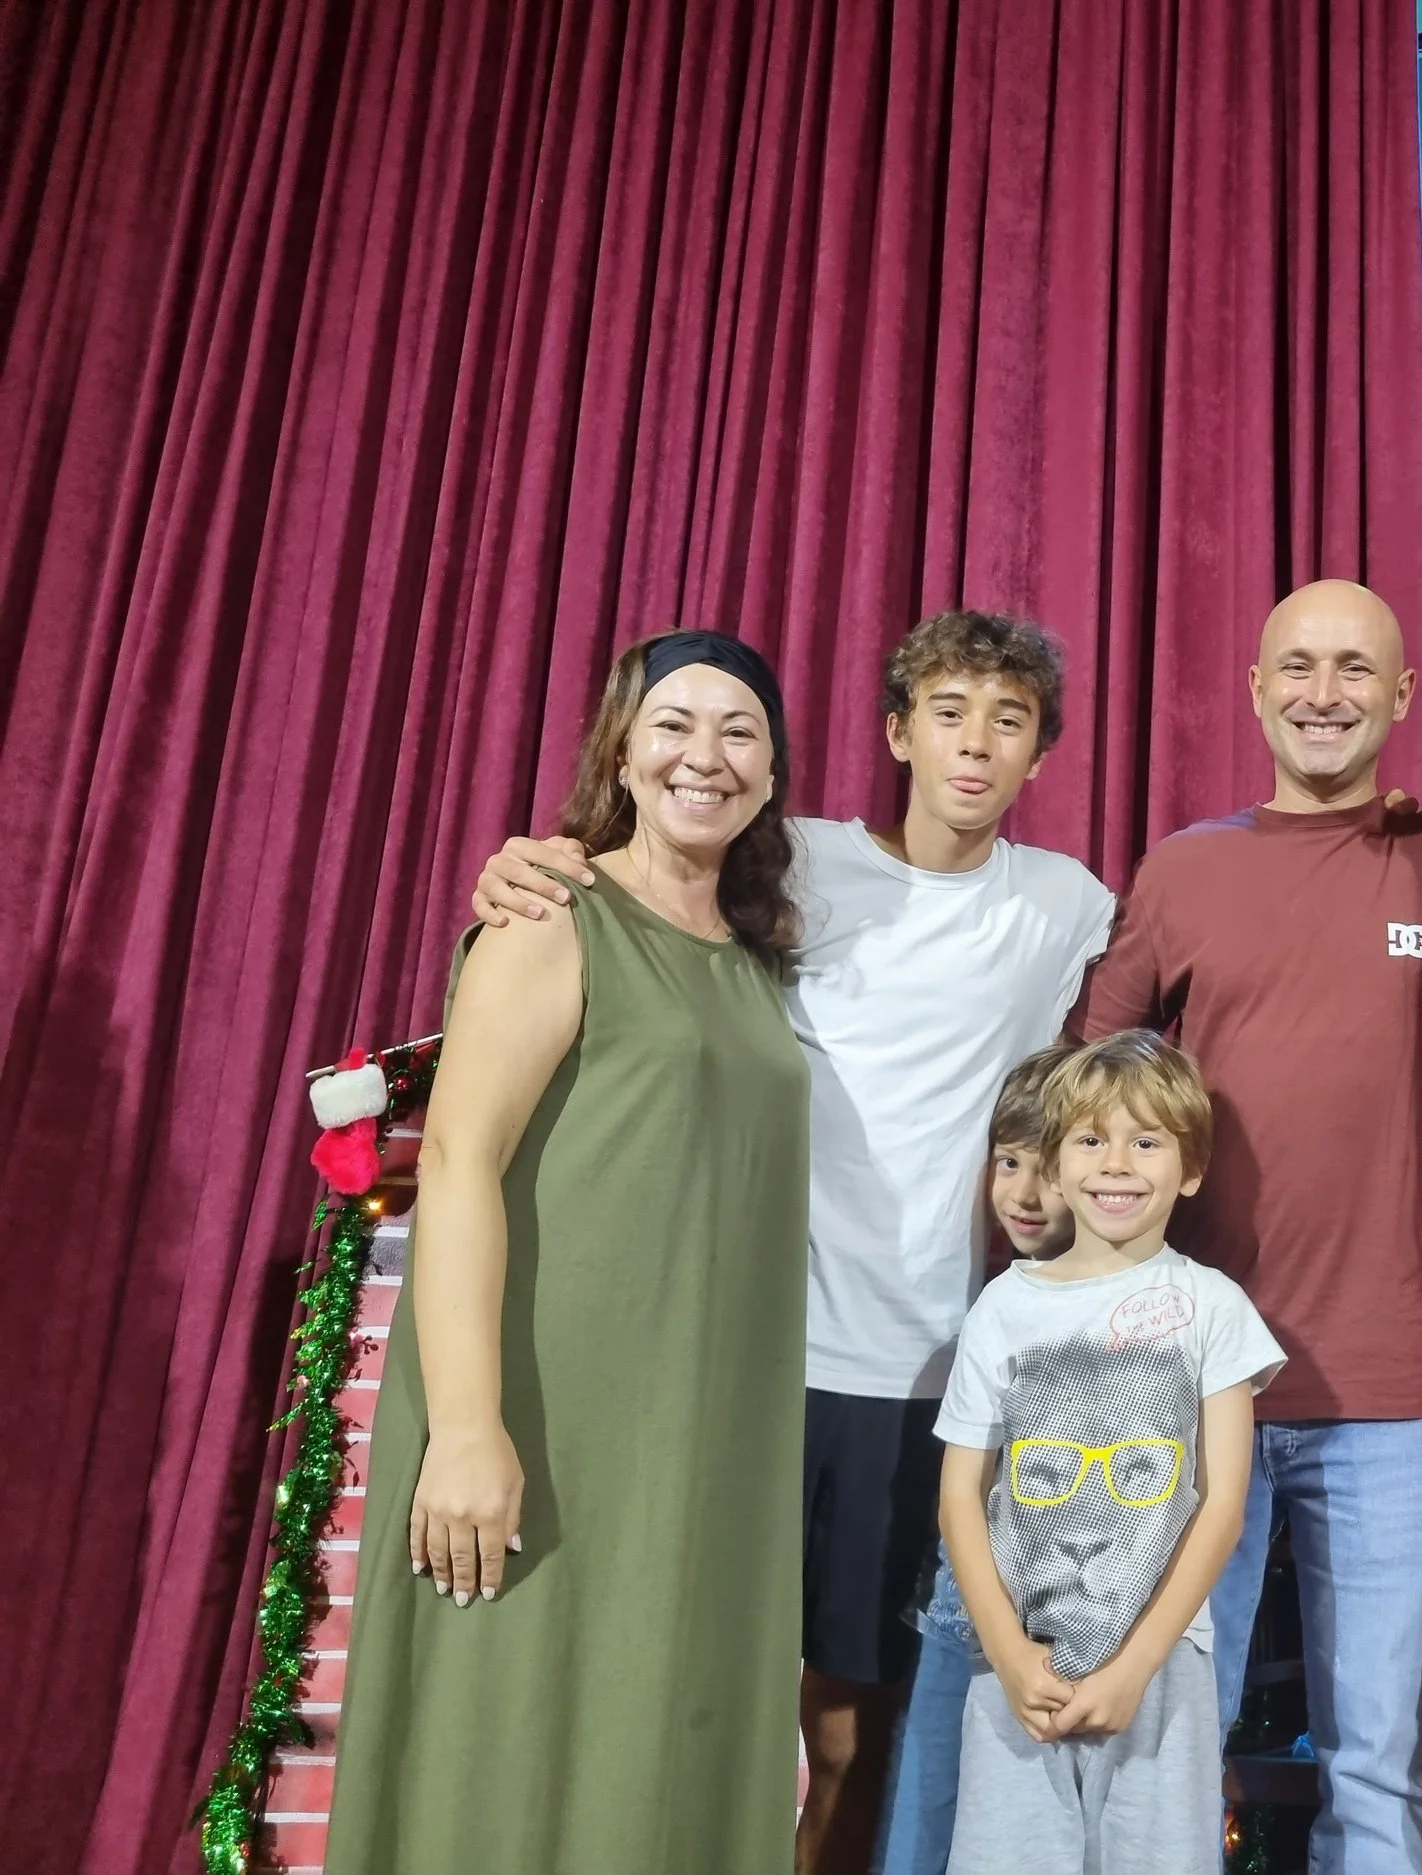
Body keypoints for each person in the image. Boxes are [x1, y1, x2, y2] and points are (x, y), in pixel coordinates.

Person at [468, 611, 1116, 1874]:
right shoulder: (792, 866)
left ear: (1040, 755)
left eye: (1009, 720)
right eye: (947, 712)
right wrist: (528, 862)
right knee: (688, 1675)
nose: (974, 745)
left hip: (918, 1369)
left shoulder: (1064, 906)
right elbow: (626, 894)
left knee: (850, 1714)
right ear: (895, 733)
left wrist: (1038, 1189)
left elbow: (1073, 1091)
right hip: (736, 1351)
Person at [328, 632, 811, 1872]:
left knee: (659, 1743)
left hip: (701, 1438)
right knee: (510, 1731)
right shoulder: (554, 915)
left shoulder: (759, 958)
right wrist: (469, 1428)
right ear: (622, 748)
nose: (705, 755)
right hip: (548, 1413)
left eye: (740, 730)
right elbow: (455, 1163)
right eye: (673, 723)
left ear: (771, 770)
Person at [1073, 577, 1422, 1873]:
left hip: (1398, 1379)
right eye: (1297, 664)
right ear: (1255, 690)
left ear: (1403, 696)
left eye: (1357, 668)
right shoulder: (1186, 868)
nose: (1325, 691)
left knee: (1379, 1757)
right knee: (1165, 1739)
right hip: (1194, 1380)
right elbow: (1089, 1071)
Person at [936, 1031, 1288, 1875]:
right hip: (1021, 1671)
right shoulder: (1001, 1311)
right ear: (1055, 1164)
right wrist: (1010, 1655)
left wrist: (1134, 1667)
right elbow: (959, 1496)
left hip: (1162, 1671)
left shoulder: (1213, 1307)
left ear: (1190, 1167)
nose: (1116, 1163)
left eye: (1146, 1140)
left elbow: (1223, 1502)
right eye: (1091, 1139)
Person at [875, 1043, 1077, 1875]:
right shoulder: (996, 1302)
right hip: (963, 1606)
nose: (1025, 1195)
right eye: (1009, 1162)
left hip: (1065, 1625)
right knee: (924, 1807)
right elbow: (960, 1490)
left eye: (1051, 1169)